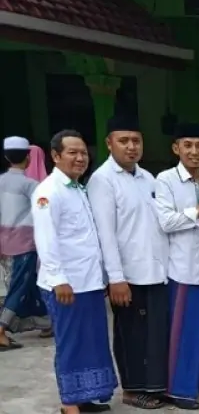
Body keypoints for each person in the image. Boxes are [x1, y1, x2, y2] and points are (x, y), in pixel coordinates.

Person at [86, 116, 170, 409]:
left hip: (156, 272)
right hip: (129, 276)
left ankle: (154, 386)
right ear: (109, 143)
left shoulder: (148, 178)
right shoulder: (102, 180)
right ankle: (133, 389)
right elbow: (105, 234)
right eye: (124, 141)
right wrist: (116, 278)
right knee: (131, 336)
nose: (131, 147)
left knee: (155, 336)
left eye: (136, 140)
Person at [33, 130, 117, 414]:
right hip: (66, 285)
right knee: (70, 344)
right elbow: (47, 240)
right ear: (55, 156)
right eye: (72, 152)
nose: (80, 158)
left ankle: (86, 397)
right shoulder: (48, 191)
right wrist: (58, 280)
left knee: (91, 343)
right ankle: (69, 404)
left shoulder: (79, 188)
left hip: (89, 282)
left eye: (83, 152)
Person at [155, 123, 199, 410]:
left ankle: (196, 380)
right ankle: (178, 389)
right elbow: (166, 221)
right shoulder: (165, 180)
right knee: (180, 331)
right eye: (188, 145)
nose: (195, 151)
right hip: (181, 269)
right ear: (177, 148)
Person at [0, 136, 49, 350]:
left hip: (5, 240)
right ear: (28, 158)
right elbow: (45, 209)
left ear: (5, 156)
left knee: (29, 284)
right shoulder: (32, 185)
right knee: (20, 285)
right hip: (25, 242)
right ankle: (1, 328)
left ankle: (48, 322)